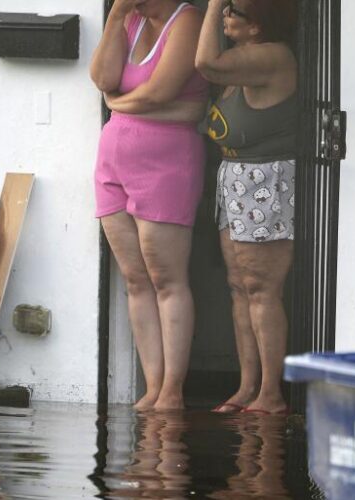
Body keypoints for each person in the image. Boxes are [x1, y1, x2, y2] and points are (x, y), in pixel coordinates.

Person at [89, 0, 209, 410]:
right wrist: (116, 17)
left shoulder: (187, 18)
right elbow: (101, 77)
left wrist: (117, 103)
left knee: (166, 277)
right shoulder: (131, 20)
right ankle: (153, 386)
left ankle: (172, 389)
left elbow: (161, 91)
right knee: (134, 279)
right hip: (114, 161)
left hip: (167, 163)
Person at [195, 0, 298, 415]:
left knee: (261, 289)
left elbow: (205, 62)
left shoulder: (272, 55)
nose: (223, 13)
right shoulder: (241, 63)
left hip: (265, 182)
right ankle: (247, 387)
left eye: (232, 8)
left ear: (257, 25)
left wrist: (212, 2)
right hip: (235, 178)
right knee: (239, 288)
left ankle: (271, 394)